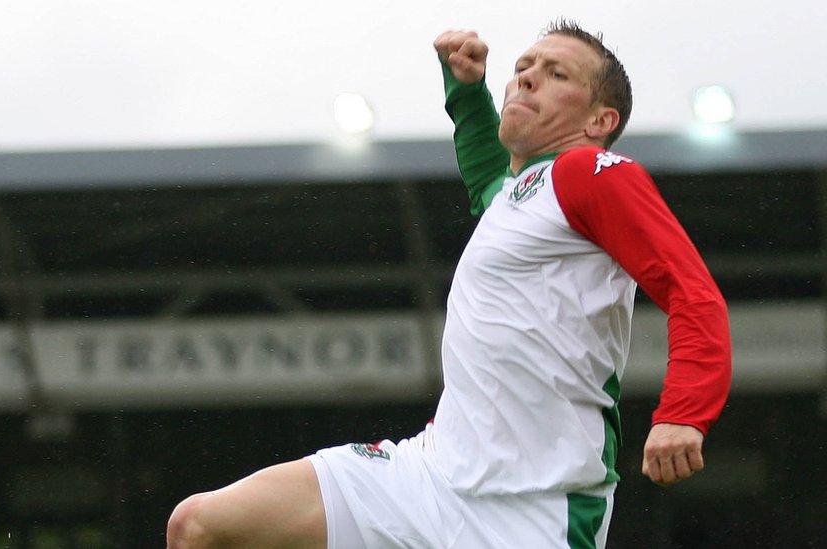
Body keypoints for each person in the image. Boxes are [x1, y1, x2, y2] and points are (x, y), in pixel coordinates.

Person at [166, 19, 732, 548]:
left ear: (599, 122)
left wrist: (683, 412)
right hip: (426, 476)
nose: (527, 75)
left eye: (557, 74)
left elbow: (693, 293)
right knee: (199, 526)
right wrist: (467, 91)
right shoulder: (517, 195)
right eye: (525, 65)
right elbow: (490, 176)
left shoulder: (591, 173)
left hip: (536, 507)